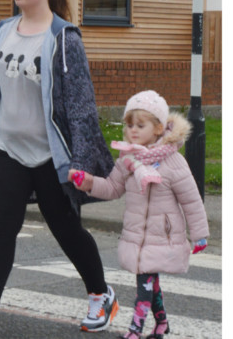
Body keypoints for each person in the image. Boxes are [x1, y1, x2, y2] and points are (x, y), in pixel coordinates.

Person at [0, 0, 118, 339]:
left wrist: (80, 161)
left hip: (49, 154)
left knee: (65, 227)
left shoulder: (64, 38)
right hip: (7, 148)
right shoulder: (3, 30)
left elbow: (80, 105)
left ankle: (100, 293)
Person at [70, 90, 209, 339]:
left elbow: (191, 200)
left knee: (144, 282)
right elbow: (112, 188)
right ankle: (162, 324)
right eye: (130, 124)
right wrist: (89, 183)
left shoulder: (173, 162)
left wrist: (200, 235)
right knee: (149, 280)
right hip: (137, 235)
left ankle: (135, 330)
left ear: (158, 129)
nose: (133, 130)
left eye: (140, 125)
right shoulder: (128, 161)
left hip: (161, 236)